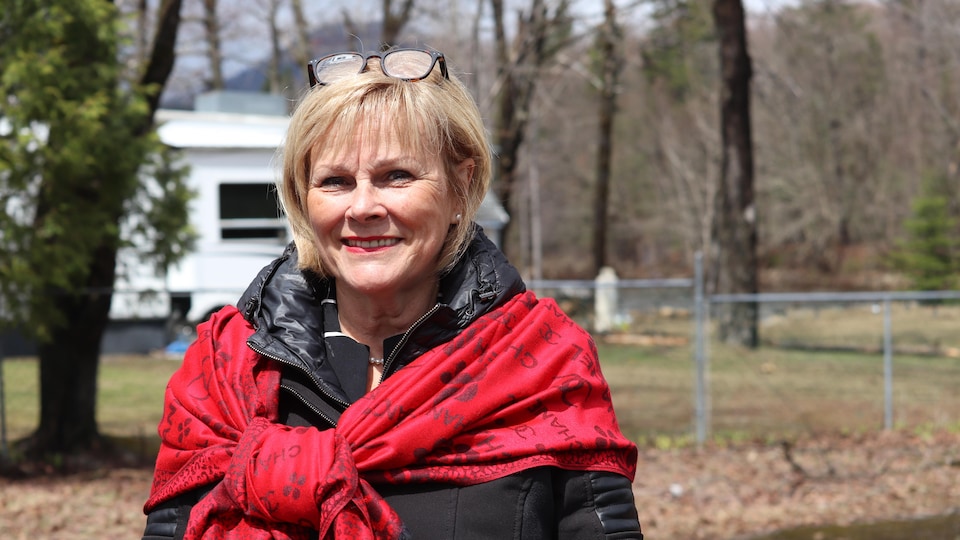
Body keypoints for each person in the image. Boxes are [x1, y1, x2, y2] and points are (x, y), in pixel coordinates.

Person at [142, 47, 643, 540]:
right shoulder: (224, 374)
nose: (362, 207)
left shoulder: (547, 361)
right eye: (335, 181)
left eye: (396, 176)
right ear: (303, 199)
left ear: (461, 189)